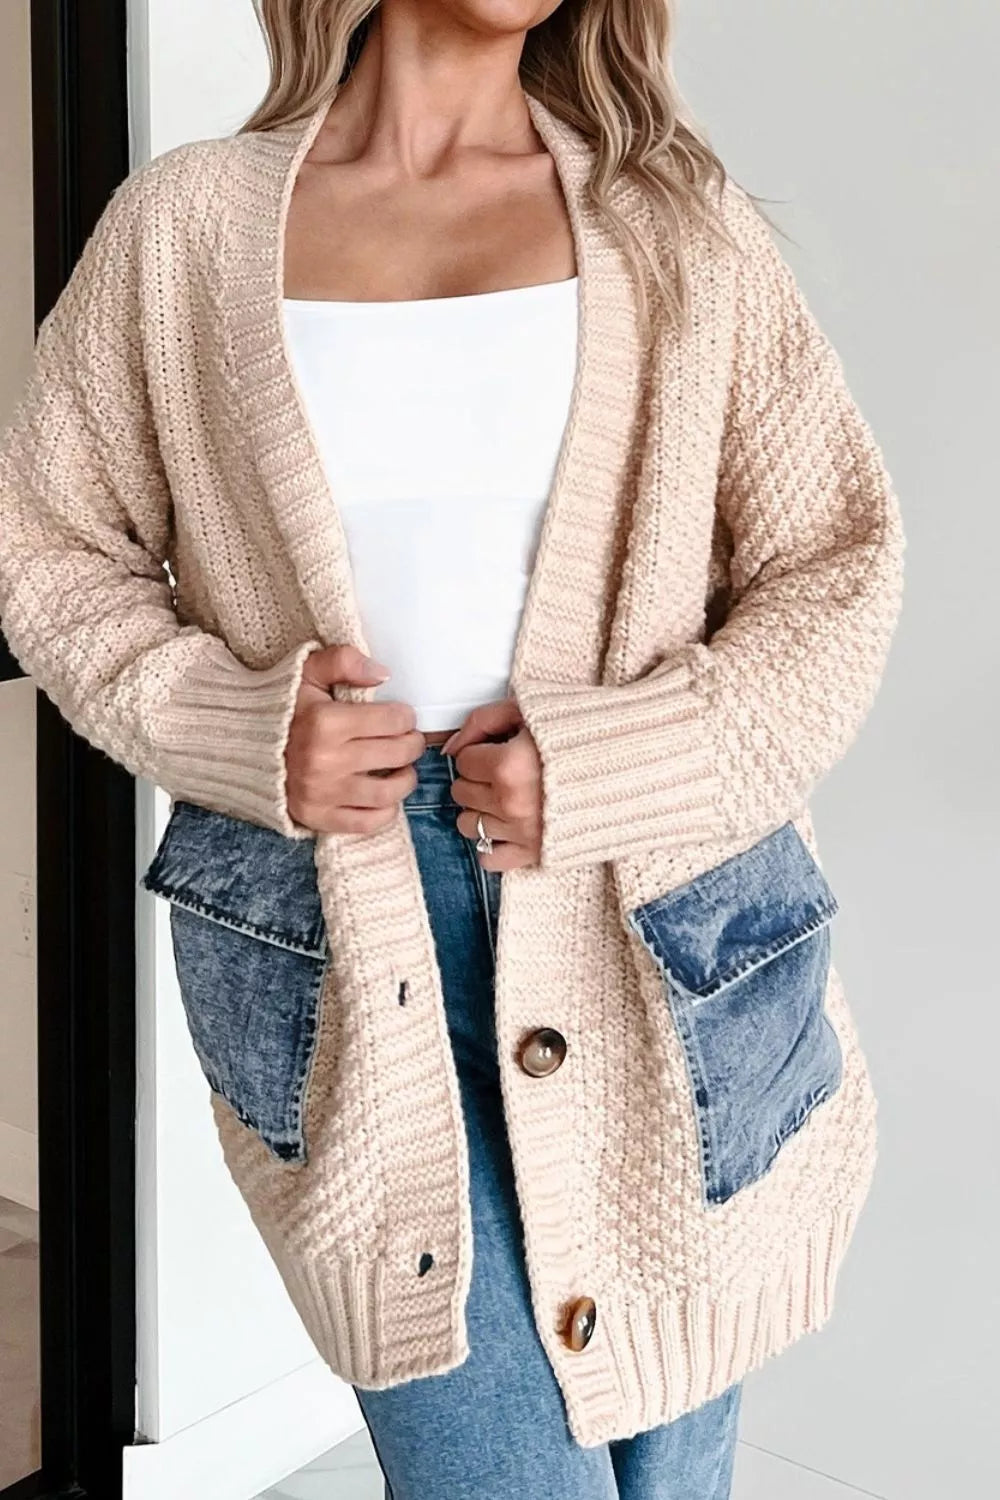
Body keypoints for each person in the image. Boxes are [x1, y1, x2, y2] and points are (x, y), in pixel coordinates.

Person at [0, 2, 905, 1496]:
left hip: (655, 932)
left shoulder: (672, 221)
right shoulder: (184, 230)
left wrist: (617, 761)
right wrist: (239, 727)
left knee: (670, 1471)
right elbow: (52, 553)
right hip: (349, 937)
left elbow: (836, 569)